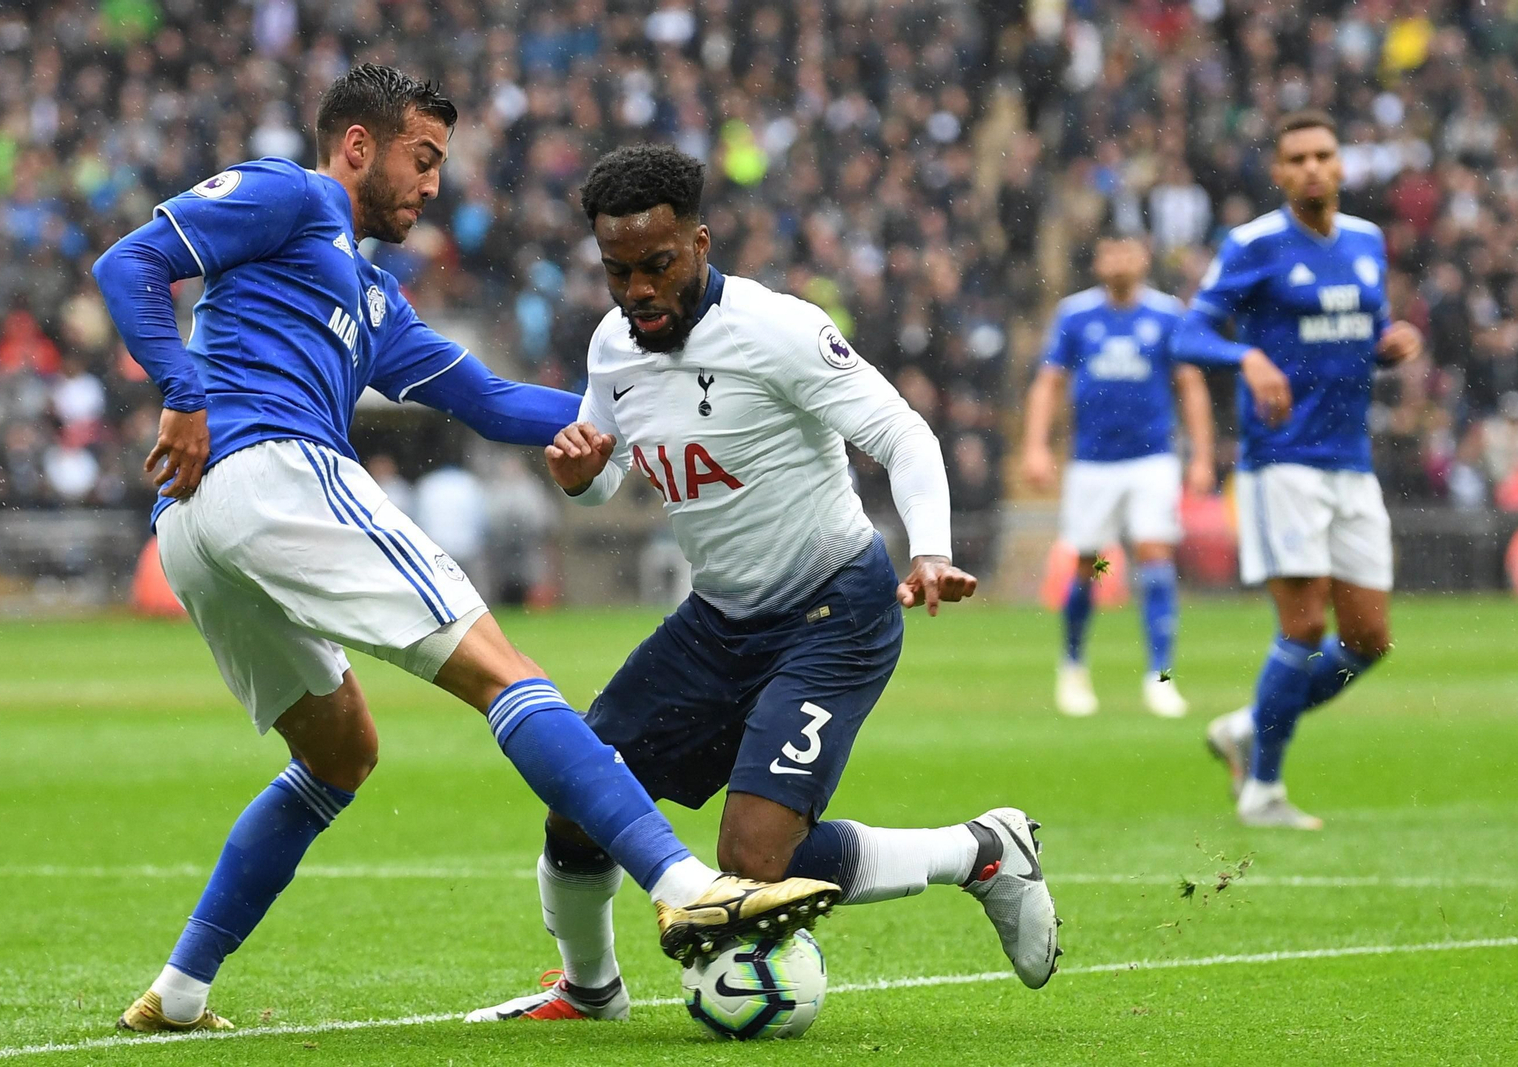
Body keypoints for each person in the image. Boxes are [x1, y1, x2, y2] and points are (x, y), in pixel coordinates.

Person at [90, 67, 838, 1035]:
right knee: (505, 669)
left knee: (342, 752)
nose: (434, 183)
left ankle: (179, 991)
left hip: (199, 525)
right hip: (266, 466)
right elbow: (128, 264)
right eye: (424, 157)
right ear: (357, 145)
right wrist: (182, 387)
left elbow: (486, 401)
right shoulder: (290, 194)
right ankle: (685, 881)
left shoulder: (370, 299)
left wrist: (629, 423)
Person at [467, 145, 1059, 1024]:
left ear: (700, 243)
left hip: (834, 610)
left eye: (657, 265)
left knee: (754, 858)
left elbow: (906, 436)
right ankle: (590, 988)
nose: (637, 290)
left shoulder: (778, 328)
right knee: (578, 799)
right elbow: (606, 471)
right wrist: (579, 474)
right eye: (618, 271)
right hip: (716, 622)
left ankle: (980, 851)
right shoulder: (610, 347)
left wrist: (929, 550)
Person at [1170, 111, 1422, 829]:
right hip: (1281, 462)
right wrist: (1244, 356)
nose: (1313, 167)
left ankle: (1248, 725)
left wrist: (1387, 342)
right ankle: (1263, 790)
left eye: (1323, 154)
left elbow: (1354, 328)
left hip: (1351, 461)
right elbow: (1190, 331)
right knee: (1305, 623)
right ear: (1279, 173)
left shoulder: (1369, 242)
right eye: (1297, 158)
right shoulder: (1254, 245)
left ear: (1341, 166)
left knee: (1369, 639)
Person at [1021, 234, 1215, 718]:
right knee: (1090, 565)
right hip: (1092, 464)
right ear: (1098, 260)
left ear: (1144, 258)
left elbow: (1190, 385)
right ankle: (1073, 666)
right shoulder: (1076, 315)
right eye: (1110, 251)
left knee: (1154, 557)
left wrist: (1202, 457)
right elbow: (1049, 383)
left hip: (1152, 461)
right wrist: (1036, 446)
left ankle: (1161, 677)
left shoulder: (1167, 314)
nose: (1119, 260)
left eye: (1127, 251)